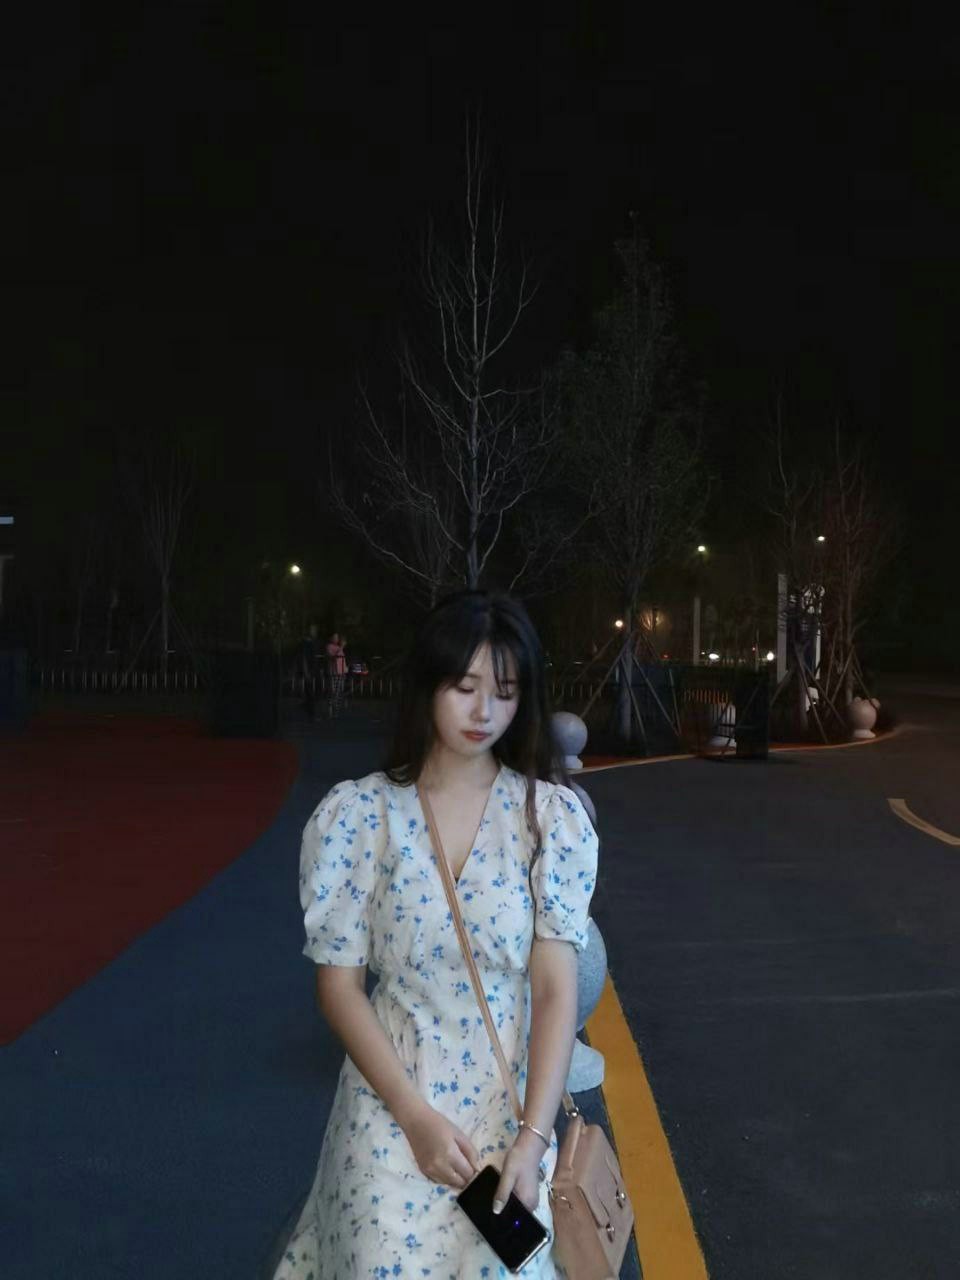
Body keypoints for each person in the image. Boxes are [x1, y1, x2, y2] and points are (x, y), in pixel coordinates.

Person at [272, 590, 599, 1278]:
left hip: (507, 1119)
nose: (485, 713)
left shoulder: (547, 819)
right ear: (427, 684)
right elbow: (339, 986)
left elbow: (554, 989)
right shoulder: (361, 815)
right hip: (389, 1109)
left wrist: (534, 1139)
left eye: (505, 692)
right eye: (465, 687)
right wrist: (413, 1116)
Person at [324, 632, 347, 718]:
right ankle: (330, 708)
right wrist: (341, 647)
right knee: (332, 691)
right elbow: (334, 657)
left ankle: (336, 710)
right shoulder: (329, 647)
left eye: (337, 637)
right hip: (333, 673)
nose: (336, 639)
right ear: (331, 638)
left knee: (338, 692)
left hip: (340, 673)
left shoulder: (339, 648)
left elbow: (342, 660)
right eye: (334, 637)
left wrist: (345, 671)